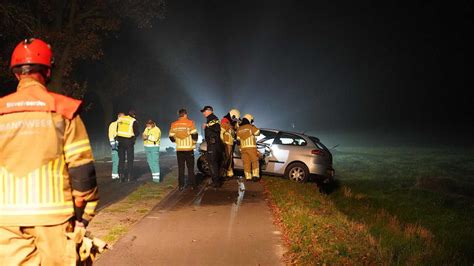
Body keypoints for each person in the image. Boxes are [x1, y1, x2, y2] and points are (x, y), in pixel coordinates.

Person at [0, 38, 99, 265]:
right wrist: (85, 215)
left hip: (5, 221)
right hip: (54, 218)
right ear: (47, 71)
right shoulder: (63, 110)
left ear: (16, 73)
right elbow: (82, 172)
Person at [169, 109, 198, 190]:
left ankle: (181, 186)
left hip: (179, 149)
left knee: (181, 168)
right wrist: (194, 143)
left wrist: (177, 141)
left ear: (179, 115)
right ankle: (192, 185)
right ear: (185, 114)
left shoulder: (174, 124)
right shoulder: (190, 123)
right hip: (188, 149)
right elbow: (195, 134)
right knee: (190, 168)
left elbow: (171, 136)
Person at [201, 105, 223, 187]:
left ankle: (216, 182)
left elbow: (217, 128)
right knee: (214, 163)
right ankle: (216, 181)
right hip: (213, 144)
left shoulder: (213, 118)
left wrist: (207, 126)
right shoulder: (211, 119)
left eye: (204, 111)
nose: (203, 113)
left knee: (212, 163)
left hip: (213, 144)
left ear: (209, 110)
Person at [116, 110, 139, 182]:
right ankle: (130, 176)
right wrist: (134, 137)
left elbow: (117, 129)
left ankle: (120, 176)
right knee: (130, 159)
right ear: (134, 115)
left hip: (120, 141)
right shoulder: (133, 121)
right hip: (129, 141)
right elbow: (136, 132)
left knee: (121, 159)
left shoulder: (121, 119)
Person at [236, 114, 261, 181]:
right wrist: (253, 126)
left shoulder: (239, 129)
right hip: (251, 148)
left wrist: (240, 149)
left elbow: (238, 141)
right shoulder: (250, 126)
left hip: (243, 149)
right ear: (249, 119)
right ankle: (255, 176)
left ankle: (248, 177)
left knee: (246, 163)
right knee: (254, 161)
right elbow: (258, 132)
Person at [220, 108, 240, 179]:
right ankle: (226, 173)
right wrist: (222, 142)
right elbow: (221, 132)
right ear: (232, 115)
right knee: (227, 158)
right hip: (226, 143)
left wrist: (237, 123)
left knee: (229, 158)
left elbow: (236, 130)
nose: (235, 120)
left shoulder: (232, 122)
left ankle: (229, 173)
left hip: (230, 143)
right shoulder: (225, 121)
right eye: (235, 119)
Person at [108, 112, 124, 180]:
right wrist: (113, 144)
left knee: (121, 159)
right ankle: (115, 174)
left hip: (121, 144)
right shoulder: (113, 124)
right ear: (119, 117)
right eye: (123, 118)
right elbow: (111, 134)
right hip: (115, 144)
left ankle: (118, 173)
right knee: (116, 160)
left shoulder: (122, 125)